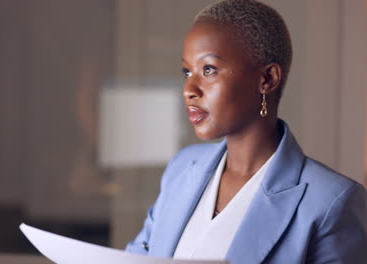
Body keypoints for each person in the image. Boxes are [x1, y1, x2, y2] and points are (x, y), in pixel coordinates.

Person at [125, 0, 367, 263]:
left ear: (267, 79)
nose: (189, 89)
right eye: (187, 72)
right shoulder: (182, 168)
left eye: (208, 69)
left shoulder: (331, 202)